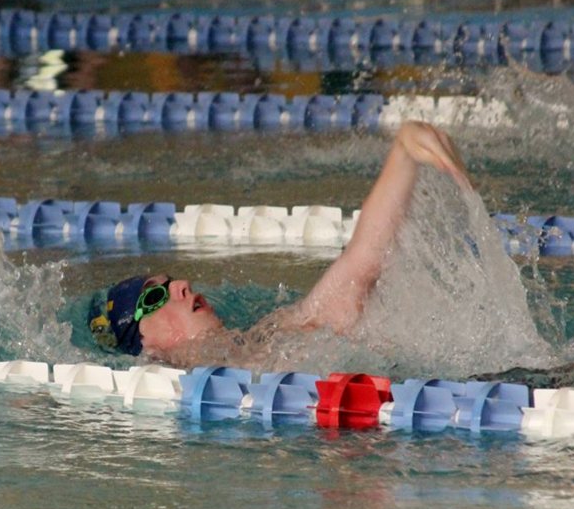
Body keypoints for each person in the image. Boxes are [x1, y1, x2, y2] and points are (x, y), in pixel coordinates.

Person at [88, 121, 472, 364]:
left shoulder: (274, 334)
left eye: (172, 281)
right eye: (156, 297)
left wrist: (403, 152)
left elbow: (361, 264)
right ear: (145, 343)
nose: (183, 285)